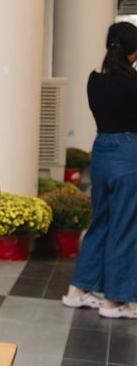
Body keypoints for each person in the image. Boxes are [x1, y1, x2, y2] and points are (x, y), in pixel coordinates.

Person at [62, 22, 137, 319]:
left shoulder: (95, 80)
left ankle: (77, 290)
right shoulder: (133, 81)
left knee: (101, 221)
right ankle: (115, 301)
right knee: (126, 225)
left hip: (101, 152)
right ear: (133, 50)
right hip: (128, 153)